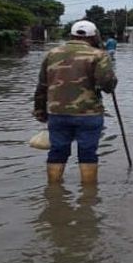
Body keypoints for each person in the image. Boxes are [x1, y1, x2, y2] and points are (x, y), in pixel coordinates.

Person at [33, 20, 118, 185]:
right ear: (94, 37)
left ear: (71, 35)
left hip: (57, 113)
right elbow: (107, 85)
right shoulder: (99, 55)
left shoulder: (52, 53)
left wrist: (39, 112)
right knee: (88, 153)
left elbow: (42, 86)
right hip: (89, 113)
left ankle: (54, 193)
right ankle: (88, 196)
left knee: (57, 152)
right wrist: (112, 81)